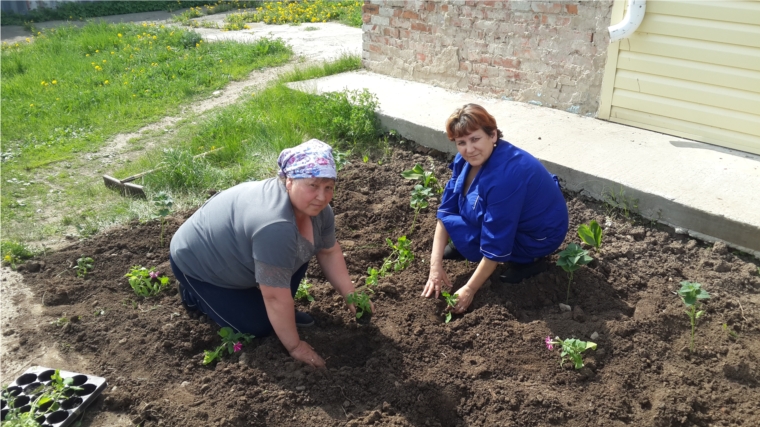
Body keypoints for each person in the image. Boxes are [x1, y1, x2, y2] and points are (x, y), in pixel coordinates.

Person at [170, 139, 371, 368]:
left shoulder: (320, 212)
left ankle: (269, 307)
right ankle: (192, 295)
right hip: (200, 263)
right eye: (313, 186)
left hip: (245, 256)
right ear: (289, 181)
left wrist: (351, 295)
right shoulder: (275, 225)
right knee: (259, 327)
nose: (322, 197)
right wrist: (295, 347)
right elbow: (274, 297)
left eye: (329, 187)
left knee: (294, 256)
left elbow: (328, 252)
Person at [421, 104, 568, 314]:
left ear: (492, 135)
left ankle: (528, 261)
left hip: (537, 235)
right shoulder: (464, 161)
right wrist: (435, 267)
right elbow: (447, 209)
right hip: (510, 218)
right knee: (468, 226)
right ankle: (467, 244)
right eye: (461, 142)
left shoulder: (505, 177)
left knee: (483, 242)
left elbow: (496, 242)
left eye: (475, 139)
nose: (469, 149)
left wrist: (469, 290)